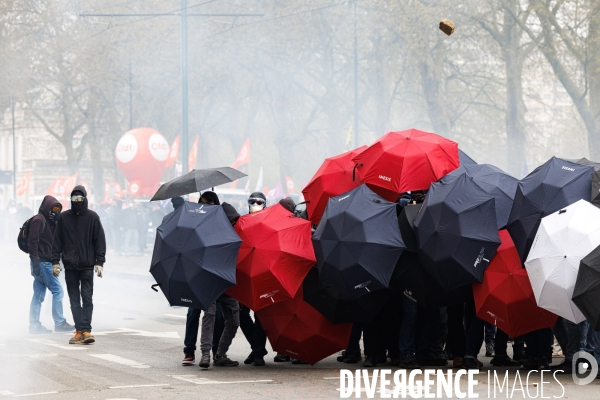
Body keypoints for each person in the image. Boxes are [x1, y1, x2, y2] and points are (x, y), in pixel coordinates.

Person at [51, 185, 106, 345]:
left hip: (87, 266)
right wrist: (55, 262)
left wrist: (99, 262)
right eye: (74, 199)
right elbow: (57, 241)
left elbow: (99, 241)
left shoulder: (92, 217)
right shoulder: (63, 218)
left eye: (80, 198)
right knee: (74, 300)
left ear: (85, 199)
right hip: (70, 267)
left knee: (87, 298)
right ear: (70, 200)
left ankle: (87, 330)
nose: (77, 201)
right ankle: (79, 331)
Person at [194, 202, 242, 368]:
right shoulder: (209, 233)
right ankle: (206, 355)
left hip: (227, 283)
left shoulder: (235, 235)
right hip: (210, 282)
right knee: (210, 316)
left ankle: (220, 354)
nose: (235, 224)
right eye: (232, 221)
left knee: (234, 320)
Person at [27, 195, 74, 334]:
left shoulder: (51, 222)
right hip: (42, 263)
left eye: (58, 209)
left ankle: (34, 325)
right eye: (53, 208)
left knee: (38, 296)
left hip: (44, 263)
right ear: (47, 207)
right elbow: (32, 243)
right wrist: (35, 263)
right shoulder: (38, 220)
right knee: (58, 290)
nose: (56, 212)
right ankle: (59, 323)